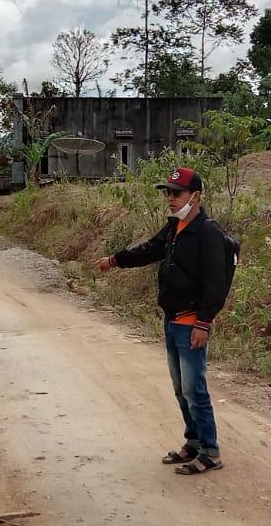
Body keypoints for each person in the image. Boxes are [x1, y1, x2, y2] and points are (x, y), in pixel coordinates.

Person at [94, 167, 228, 475]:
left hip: (191, 323)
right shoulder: (174, 227)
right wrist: (114, 260)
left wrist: (203, 323)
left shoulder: (208, 232)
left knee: (195, 389)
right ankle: (193, 442)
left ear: (195, 196)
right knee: (181, 388)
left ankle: (211, 451)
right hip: (172, 320)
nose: (170, 198)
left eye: (176, 193)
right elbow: (148, 251)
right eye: (167, 192)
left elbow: (215, 284)